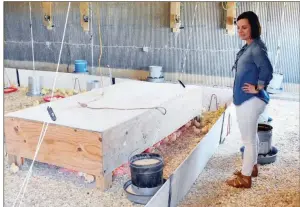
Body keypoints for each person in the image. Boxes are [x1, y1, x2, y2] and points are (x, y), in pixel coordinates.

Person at [226, 11, 273, 188]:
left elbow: (267, 70)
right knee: (251, 137)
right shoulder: (249, 46)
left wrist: (258, 87)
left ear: (253, 26)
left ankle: (245, 178)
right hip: (245, 98)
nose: (240, 31)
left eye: (244, 27)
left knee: (248, 140)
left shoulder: (256, 48)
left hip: (250, 99)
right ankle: (252, 167)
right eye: (238, 28)